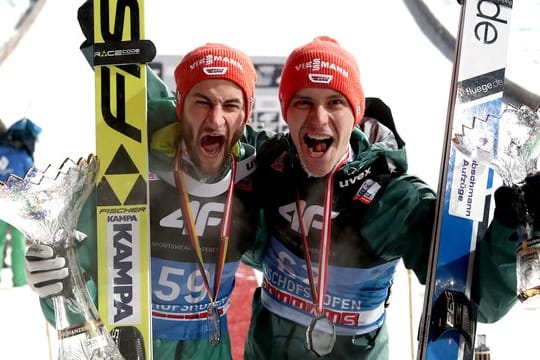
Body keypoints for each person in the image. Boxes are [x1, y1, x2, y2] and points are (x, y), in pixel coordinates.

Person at [242, 36, 531, 360]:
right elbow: (203, 127)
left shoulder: (391, 197)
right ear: (286, 111)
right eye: (303, 102)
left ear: (356, 114)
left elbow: (478, 296)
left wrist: (512, 224)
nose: (318, 117)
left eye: (335, 102)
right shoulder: (270, 163)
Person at [24, 42, 271, 359]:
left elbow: (286, 255)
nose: (216, 119)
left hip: (209, 348)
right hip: (134, 343)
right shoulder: (130, 166)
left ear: (245, 114)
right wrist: (56, 280)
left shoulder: (250, 179)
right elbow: (74, 276)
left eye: (231, 106)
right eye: (202, 102)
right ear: (180, 106)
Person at [0, 117, 41, 287]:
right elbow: (32, 179)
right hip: (18, 203)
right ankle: (19, 280)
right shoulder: (23, 155)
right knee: (18, 242)